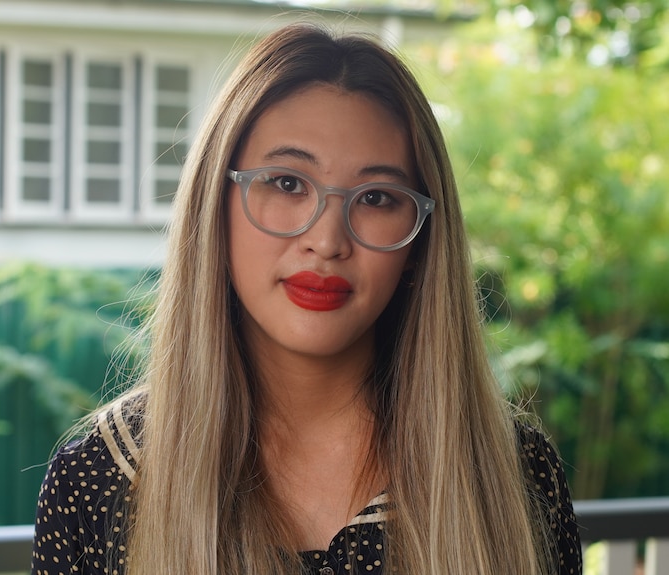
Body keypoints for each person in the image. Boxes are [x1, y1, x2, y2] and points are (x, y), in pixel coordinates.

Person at [31, 22, 582, 575]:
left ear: (419, 244)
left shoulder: (516, 474)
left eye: (376, 197)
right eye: (288, 183)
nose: (327, 240)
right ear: (213, 206)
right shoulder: (99, 479)